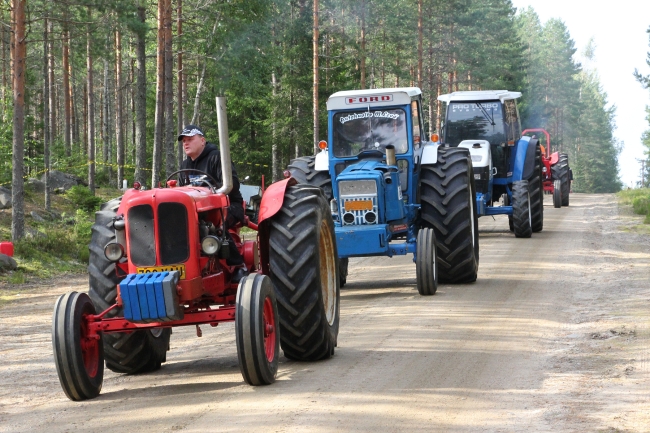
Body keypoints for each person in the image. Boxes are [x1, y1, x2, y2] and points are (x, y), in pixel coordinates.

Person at [177, 124, 248, 283]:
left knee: (214, 226)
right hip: (195, 212)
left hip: (227, 206)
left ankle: (238, 265)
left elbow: (232, 185)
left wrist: (208, 192)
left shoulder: (217, 157)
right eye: (183, 141)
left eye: (190, 139)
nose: (186, 144)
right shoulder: (184, 165)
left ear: (202, 140)